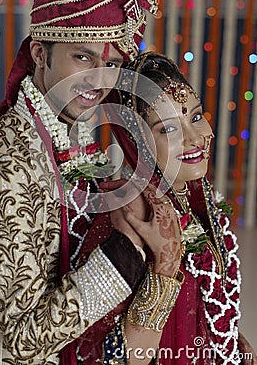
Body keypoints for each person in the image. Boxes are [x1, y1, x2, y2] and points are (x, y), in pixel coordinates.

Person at [0, 0, 159, 365]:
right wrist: (127, 251)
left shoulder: (65, 134)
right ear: (39, 54)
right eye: (82, 57)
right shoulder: (5, 169)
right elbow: (24, 339)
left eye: (111, 65)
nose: (98, 80)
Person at [95, 52, 257, 364]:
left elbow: (202, 302)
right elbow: (116, 357)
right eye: (168, 129)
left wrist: (229, 341)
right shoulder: (135, 215)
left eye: (195, 117)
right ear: (137, 141)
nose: (195, 138)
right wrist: (164, 266)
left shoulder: (196, 200)